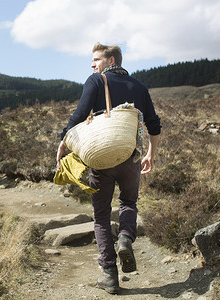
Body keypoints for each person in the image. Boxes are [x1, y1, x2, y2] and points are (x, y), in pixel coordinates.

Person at [56, 42, 162, 294]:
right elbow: (154, 124)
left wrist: (62, 143)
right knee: (128, 203)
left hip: (101, 157)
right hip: (130, 157)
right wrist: (150, 153)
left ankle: (109, 275)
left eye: (96, 59)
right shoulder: (139, 86)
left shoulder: (95, 81)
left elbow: (78, 116)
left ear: (111, 60)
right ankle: (125, 239)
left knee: (102, 216)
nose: (92, 65)